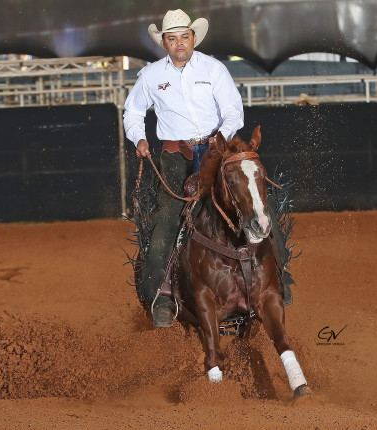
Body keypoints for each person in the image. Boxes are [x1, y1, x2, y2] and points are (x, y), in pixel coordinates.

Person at [123, 9, 295, 328]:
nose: (179, 43)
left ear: (193, 38)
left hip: (216, 148)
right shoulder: (150, 76)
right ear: (164, 42)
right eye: (172, 38)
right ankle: (161, 293)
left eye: (184, 37)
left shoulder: (213, 69)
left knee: (254, 203)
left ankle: (280, 276)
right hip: (175, 153)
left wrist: (219, 141)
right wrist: (139, 139)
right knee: (167, 216)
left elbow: (232, 111)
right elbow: (132, 112)